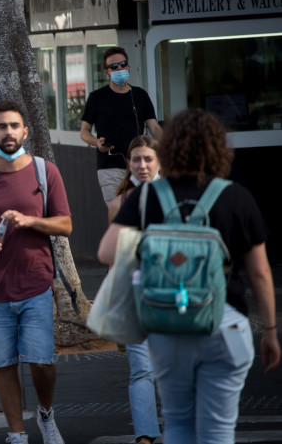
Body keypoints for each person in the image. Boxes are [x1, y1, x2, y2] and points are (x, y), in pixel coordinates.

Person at [98, 110, 280, 444]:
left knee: (178, 424)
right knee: (217, 431)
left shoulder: (145, 197)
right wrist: (269, 331)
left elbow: (107, 252)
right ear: (217, 149)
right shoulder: (235, 196)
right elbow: (260, 271)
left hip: (168, 324)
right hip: (224, 323)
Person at [0, 100, 72, 444]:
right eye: (2, 127)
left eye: (14, 126)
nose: (8, 132)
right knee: (3, 365)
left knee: (41, 363)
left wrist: (31, 220)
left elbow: (65, 225)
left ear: (26, 131)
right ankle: (16, 434)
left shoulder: (44, 172)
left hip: (36, 284)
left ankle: (46, 414)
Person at [107, 135, 161, 444]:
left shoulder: (177, 198)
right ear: (128, 164)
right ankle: (145, 436)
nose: (142, 165)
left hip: (172, 298)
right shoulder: (119, 203)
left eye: (148, 159)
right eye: (136, 159)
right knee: (142, 370)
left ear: (159, 162)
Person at [79, 46, 163, 206]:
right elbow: (84, 131)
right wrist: (96, 142)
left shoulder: (140, 95)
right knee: (119, 213)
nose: (119, 68)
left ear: (128, 67)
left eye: (123, 64)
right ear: (106, 72)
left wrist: (167, 149)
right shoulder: (97, 97)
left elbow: (154, 128)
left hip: (140, 165)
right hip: (110, 167)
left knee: (146, 210)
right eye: (113, 66)